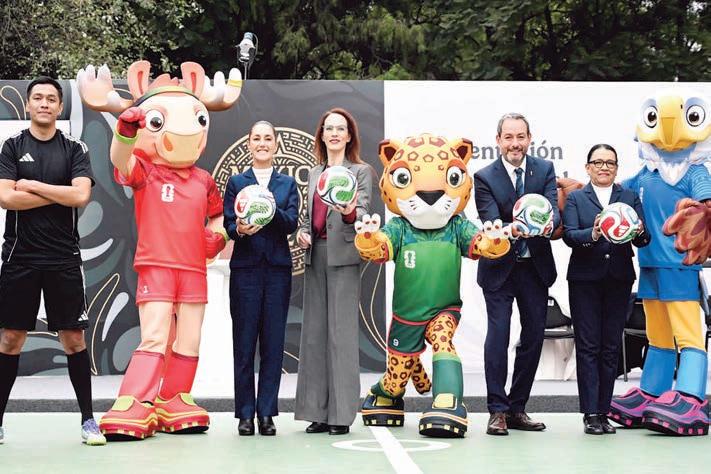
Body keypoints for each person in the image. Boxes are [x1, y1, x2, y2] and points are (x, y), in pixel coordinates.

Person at [0, 77, 104, 445]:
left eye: (51, 99)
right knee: (10, 339)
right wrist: (60, 194)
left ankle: (88, 421)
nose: (44, 104)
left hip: (63, 257)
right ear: (28, 105)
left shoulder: (74, 148)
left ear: (59, 107)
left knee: (73, 339)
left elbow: (81, 197)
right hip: (20, 257)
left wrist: (32, 185)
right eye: (38, 98)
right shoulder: (12, 146)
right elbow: (6, 199)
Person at [474, 112, 560, 436]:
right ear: (498, 141)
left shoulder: (545, 169)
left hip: (535, 269)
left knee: (534, 337)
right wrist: (514, 228)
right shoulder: (484, 177)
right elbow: (490, 220)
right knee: (498, 337)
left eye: (520, 137)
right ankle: (496, 410)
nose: (515, 144)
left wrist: (547, 224)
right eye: (508, 137)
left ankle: (517, 408)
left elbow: (553, 211)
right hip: (499, 269)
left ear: (529, 138)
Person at [562, 144, 650, 435]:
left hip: (619, 278)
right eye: (598, 162)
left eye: (610, 163)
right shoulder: (576, 198)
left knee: (611, 347)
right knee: (588, 346)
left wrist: (638, 231)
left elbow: (644, 239)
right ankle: (590, 413)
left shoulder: (629, 197)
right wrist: (595, 232)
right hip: (584, 280)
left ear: (616, 168)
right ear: (588, 167)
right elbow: (570, 236)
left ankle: (604, 411)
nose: (604, 167)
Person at [294, 108, 372, 435]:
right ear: (322, 135)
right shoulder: (315, 173)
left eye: (341, 129)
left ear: (349, 136)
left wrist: (351, 212)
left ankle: (340, 416)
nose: (335, 134)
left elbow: (364, 212)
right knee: (314, 337)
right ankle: (317, 412)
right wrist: (303, 233)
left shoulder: (361, 171)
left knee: (341, 337)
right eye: (329, 129)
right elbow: (308, 217)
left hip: (344, 257)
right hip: (315, 257)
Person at [223, 121, 298, 436]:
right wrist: (240, 229)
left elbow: (291, 223)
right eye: (257, 138)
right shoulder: (237, 182)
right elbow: (229, 224)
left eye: (268, 138)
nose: (263, 143)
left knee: (272, 344)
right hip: (246, 271)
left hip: (277, 271)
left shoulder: (287, 184)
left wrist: (267, 207)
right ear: (249, 144)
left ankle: (266, 413)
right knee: (243, 343)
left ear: (276, 144)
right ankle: (245, 414)